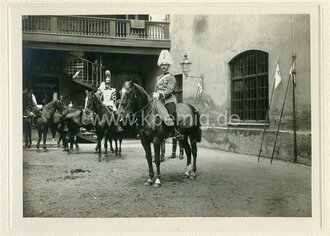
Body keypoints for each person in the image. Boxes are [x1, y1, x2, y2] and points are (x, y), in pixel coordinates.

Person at [153, 50, 182, 140]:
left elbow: (170, 90)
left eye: (165, 65)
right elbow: (156, 89)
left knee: (172, 113)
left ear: (168, 66)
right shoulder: (158, 78)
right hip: (158, 100)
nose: (163, 67)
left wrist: (160, 95)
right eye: (162, 65)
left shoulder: (171, 77)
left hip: (168, 99)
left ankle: (175, 131)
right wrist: (154, 94)